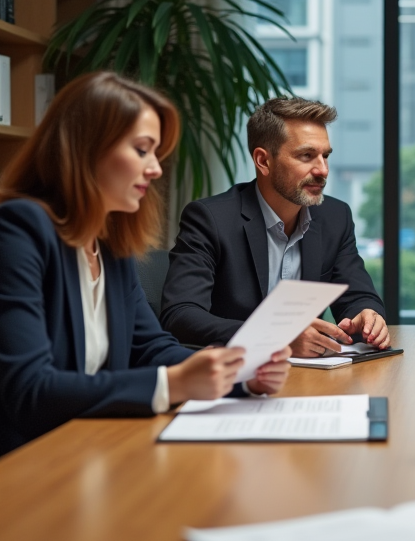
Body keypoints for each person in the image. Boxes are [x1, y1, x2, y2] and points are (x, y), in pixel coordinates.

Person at [0, 72, 291, 471]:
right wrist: (173, 384)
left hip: (68, 454)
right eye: (142, 150)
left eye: (156, 154)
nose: (156, 169)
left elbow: (149, 348)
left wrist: (240, 376)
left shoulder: (107, 240)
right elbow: (31, 391)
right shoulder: (18, 230)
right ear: (86, 149)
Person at [162, 97, 388, 358]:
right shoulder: (210, 219)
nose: (323, 170)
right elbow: (180, 315)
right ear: (263, 161)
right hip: (234, 379)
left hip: (310, 378)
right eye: (306, 155)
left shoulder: (335, 217)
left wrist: (368, 316)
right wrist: (274, 340)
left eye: (325, 156)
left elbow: (357, 296)